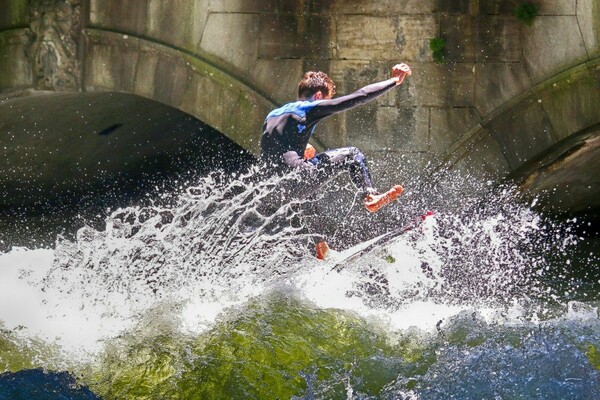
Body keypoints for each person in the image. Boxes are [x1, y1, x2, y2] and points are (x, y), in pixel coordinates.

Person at [260, 63, 412, 257]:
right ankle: (370, 195)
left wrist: (300, 148)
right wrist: (394, 81)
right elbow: (359, 96)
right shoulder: (309, 108)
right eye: (327, 98)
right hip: (296, 177)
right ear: (318, 96)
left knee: (307, 190)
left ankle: (321, 247)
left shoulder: (273, 114)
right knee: (353, 154)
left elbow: (274, 148)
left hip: (271, 188)